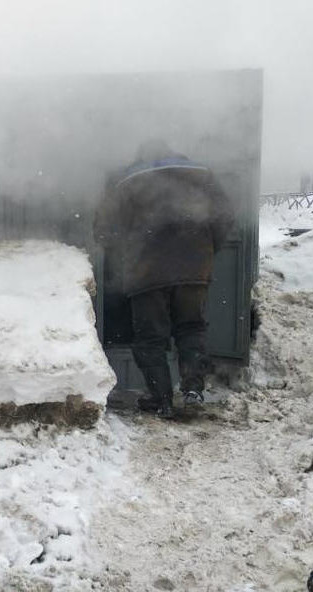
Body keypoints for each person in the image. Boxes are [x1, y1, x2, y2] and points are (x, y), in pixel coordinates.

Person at [94, 140, 235, 418]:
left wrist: (123, 255)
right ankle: (193, 389)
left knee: (150, 338)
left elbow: (103, 229)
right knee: (191, 328)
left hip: (146, 272)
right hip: (194, 269)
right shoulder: (201, 175)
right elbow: (225, 217)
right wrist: (207, 249)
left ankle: (161, 399)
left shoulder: (126, 181)